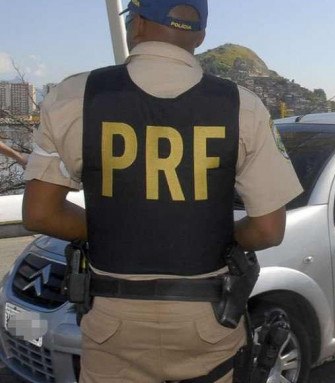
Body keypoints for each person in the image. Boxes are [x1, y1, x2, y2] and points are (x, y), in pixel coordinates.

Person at [21, 1, 302, 381]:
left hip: (113, 322)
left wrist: (119, 227)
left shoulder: (75, 96)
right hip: (208, 318)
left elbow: (41, 213)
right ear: (200, 35)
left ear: (135, 25)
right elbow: (268, 229)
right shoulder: (243, 107)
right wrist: (217, 237)